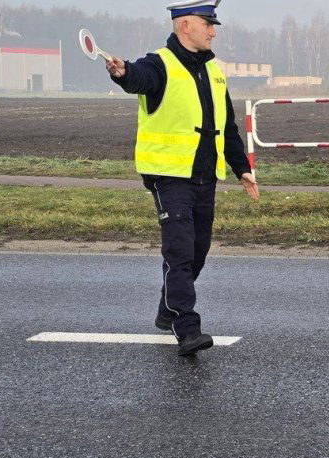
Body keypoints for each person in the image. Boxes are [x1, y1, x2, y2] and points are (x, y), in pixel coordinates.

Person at [105, 0, 259, 356]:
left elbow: (228, 127)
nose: (213, 30)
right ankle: (186, 327)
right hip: (168, 177)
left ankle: (166, 310)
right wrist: (123, 73)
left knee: (197, 252)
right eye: (208, 24)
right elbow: (137, 79)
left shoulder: (216, 71)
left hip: (206, 177)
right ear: (185, 25)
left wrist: (243, 168)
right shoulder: (158, 63)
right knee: (180, 253)